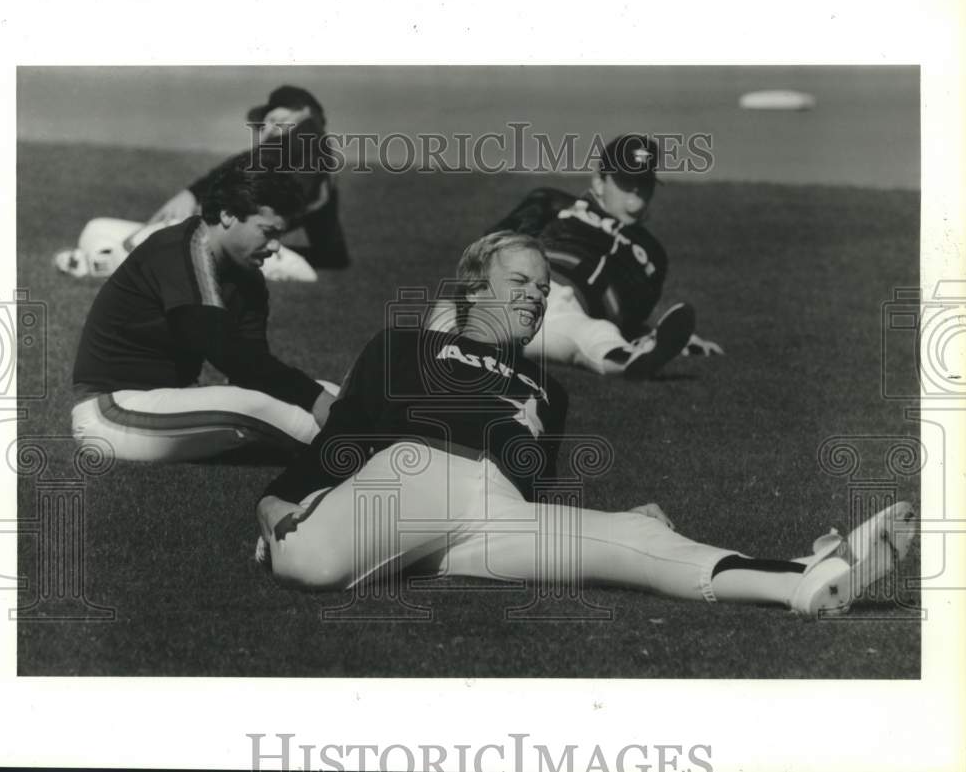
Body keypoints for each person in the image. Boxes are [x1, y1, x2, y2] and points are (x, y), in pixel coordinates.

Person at [254, 231, 915, 617]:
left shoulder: (550, 389)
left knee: (636, 539)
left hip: (491, 513)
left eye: (544, 290)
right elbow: (347, 432)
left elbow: (529, 490)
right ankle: (299, 533)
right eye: (520, 282)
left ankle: (800, 576)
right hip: (414, 471)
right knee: (309, 563)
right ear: (473, 288)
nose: (536, 297)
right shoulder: (406, 344)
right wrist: (279, 496)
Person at [70, 150, 338, 463]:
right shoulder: (179, 247)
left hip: (170, 401)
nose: (277, 246)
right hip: (110, 410)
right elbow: (223, 348)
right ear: (228, 215)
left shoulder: (249, 277)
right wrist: (314, 398)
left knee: (329, 391)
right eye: (268, 232)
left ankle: (361, 432)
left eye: (280, 233)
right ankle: (356, 442)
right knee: (258, 406)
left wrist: (321, 396)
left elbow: (252, 367)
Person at [484, 134, 723, 379]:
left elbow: (629, 320)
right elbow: (490, 247)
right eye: (625, 182)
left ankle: (634, 360)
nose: (635, 194)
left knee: (596, 333)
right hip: (523, 287)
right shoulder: (553, 202)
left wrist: (662, 337)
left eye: (644, 184)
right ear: (600, 181)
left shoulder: (653, 255)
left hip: (567, 316)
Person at [56, 85, 348, 282]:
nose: (268, 129)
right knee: (96, 228)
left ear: (305, 114)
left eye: (276, 119)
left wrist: (193, 193)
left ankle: (102, 264)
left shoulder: (309, 142)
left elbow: (262, 159)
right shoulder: (285, 156)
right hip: (231, 246)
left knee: (173, 237)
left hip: (248, 252)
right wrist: (191, 194)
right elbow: (333, 255)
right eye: (265, 124)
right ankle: (107, 259)